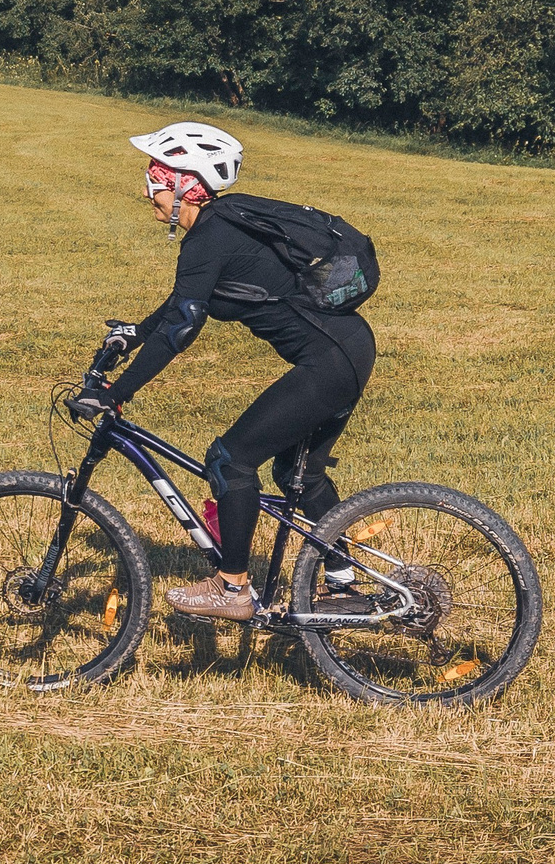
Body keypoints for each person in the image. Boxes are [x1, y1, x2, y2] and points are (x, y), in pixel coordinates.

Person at [70, 122, 376, 621]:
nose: (147, 190)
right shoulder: (220, 227)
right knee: (296, 473)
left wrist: (116, 392)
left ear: (187, 186)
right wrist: (134, 334)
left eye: (156, 178)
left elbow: (183, 325)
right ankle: (344, 583)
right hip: (348, 350)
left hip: (329, 363)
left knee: (231, 461)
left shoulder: (210, 237)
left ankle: (232, 587)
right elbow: (184, 301)